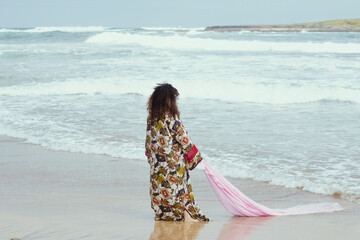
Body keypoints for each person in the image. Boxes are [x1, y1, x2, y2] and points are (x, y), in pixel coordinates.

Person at [145, 83, 209, 222]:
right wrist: (195, 155)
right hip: (173, 161)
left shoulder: (151, 116)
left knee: (160, 188)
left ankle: (163, 214)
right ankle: (182, 214)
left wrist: (151, 157)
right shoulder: (170, 116)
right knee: (178, 187)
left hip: (157, 162)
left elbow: (148, 139)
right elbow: (183, 137)